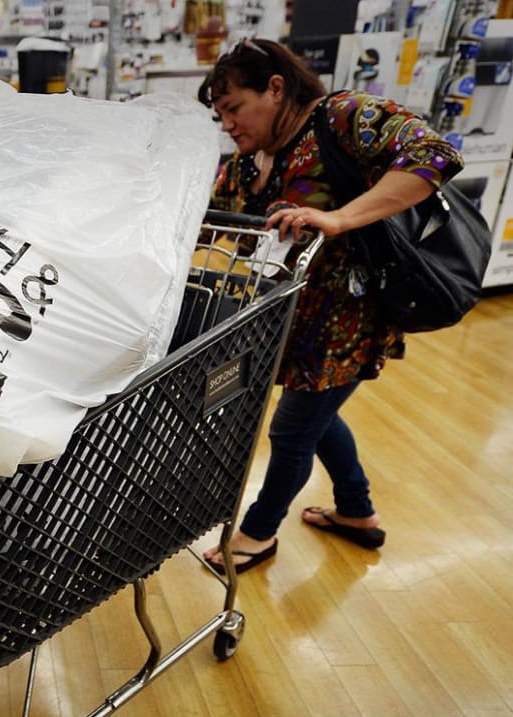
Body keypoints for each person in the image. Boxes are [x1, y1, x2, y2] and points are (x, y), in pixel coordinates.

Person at [198, 38, 464, 574]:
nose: (227, 125)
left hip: (348, 320)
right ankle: (356, 512)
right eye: (219, 115)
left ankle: (256, 534)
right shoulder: (248, 164)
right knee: (316, 414)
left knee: (293, 430)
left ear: (275, 88)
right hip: (287, 323)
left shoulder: (341, 118)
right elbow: (205, 216)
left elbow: (436, 154)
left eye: (234, 108)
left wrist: (340, 218)